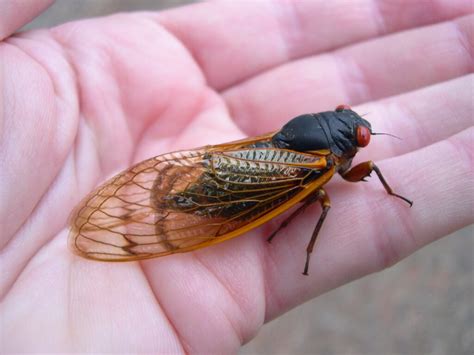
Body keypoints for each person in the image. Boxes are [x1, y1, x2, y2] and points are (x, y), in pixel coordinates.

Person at [1, 1, 472, 353]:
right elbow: (319, 202)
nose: (356, 128)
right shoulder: (329, 164)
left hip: (256, 155)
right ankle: (177, 206)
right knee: (321, 202)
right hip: (251, 184)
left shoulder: (319, 143)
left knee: (305, 193)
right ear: (349, 142)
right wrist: (300, 237)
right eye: (357, 131)